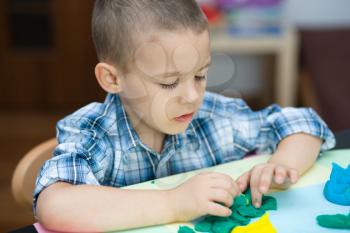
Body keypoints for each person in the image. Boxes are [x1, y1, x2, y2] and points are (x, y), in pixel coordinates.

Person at [34, 0, 335, 232]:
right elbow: (55, 205)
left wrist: (281, 164)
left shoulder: (211, 117)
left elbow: (303, 124)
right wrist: (174, 202)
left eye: (200, 75)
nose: (192, 96)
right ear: (113, 80)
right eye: (169, 82)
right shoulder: (93, 131)